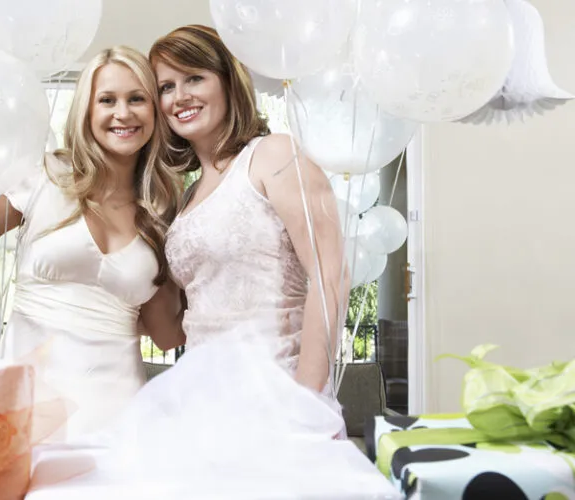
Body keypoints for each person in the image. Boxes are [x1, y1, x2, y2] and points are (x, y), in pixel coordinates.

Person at [25, 27, 399, 499]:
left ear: (227, 81)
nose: (179, 97)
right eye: (165, 87)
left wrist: (305, 400)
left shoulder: (275, 155)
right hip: (200, 405)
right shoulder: (186, 196)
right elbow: (179, 320)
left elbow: (331, 274)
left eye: (194, 78)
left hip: (276, 394)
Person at [0, 45, 185, 440]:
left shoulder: (162, 207)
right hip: (25, 396)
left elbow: (165, 333)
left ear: (154, 111)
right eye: (107, 100)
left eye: (137, 99)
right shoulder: (45, 173)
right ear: (86, 111)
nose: (123, 113)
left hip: (117, 410)